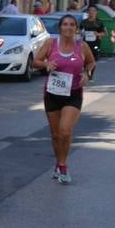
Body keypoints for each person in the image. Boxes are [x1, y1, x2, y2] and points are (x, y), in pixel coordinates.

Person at [32, 13, 96, 184]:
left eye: (72, 24)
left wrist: (87, 74)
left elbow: (91, 62)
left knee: (65, 130)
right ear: (60, 27)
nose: (68, 27)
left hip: (73, 93)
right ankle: (58, 163)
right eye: (65, 24)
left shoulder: (81, 46)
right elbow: (35, 61)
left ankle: (63, 165)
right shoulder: (50, 44)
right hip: (52, 94)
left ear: (76, 28)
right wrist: (46, 64)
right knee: (55, 135)